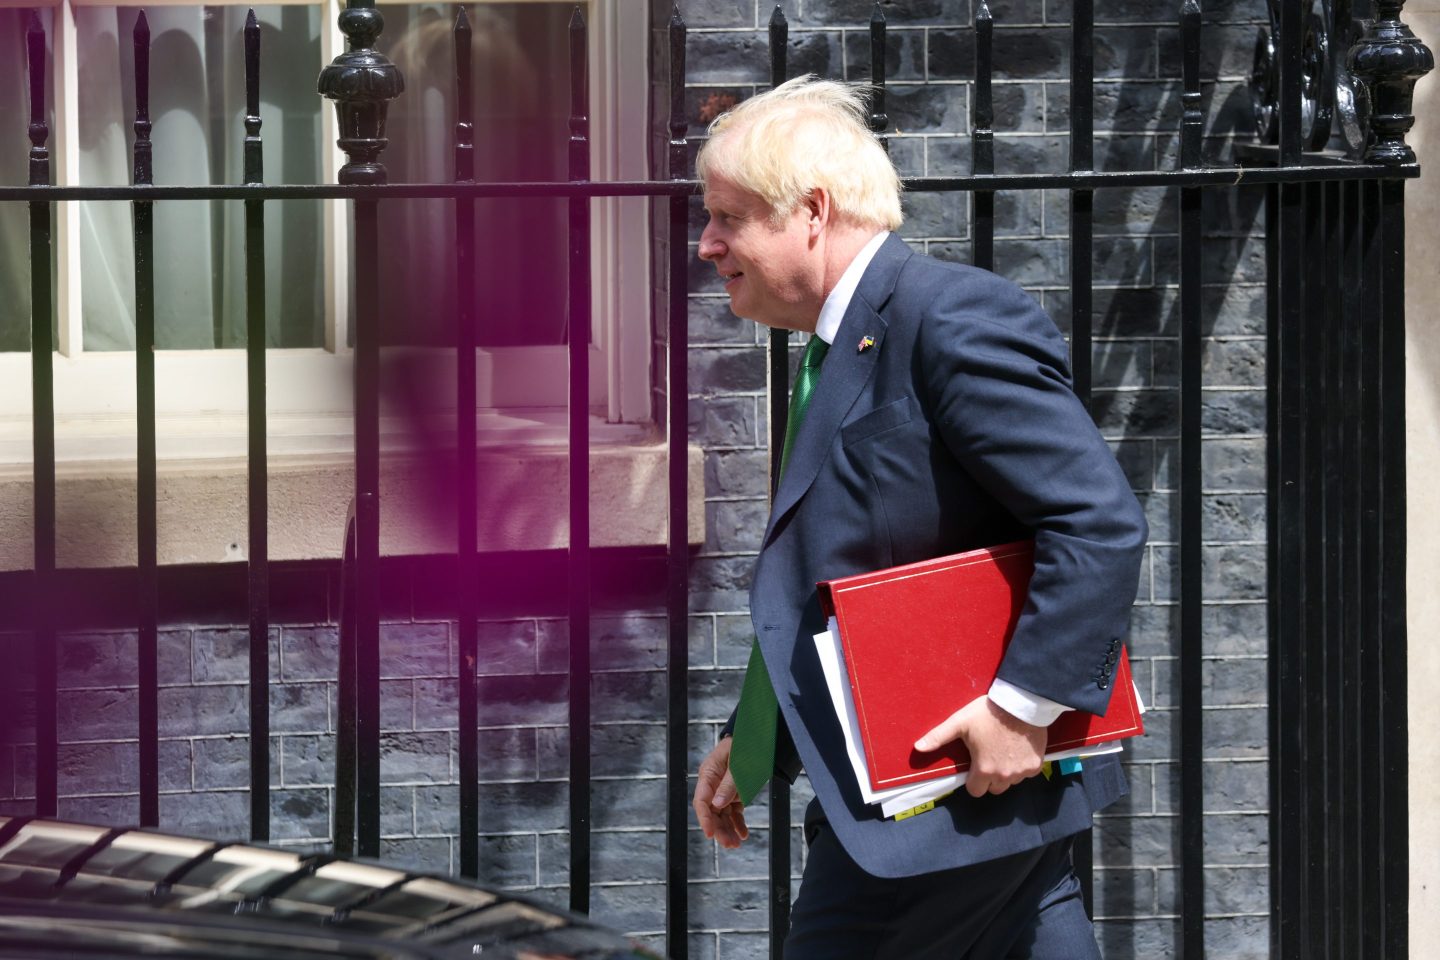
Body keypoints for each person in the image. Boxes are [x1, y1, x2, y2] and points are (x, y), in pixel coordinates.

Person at [689, 76, 1147, 959]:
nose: (707, 244)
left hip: (944, 802)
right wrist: (752, 744)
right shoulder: (842, 343)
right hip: (950, 805)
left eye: (728, 217)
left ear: (811, 211)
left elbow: (1096, 520)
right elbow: (836, 571)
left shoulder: (949, 317)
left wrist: (1020, 709)